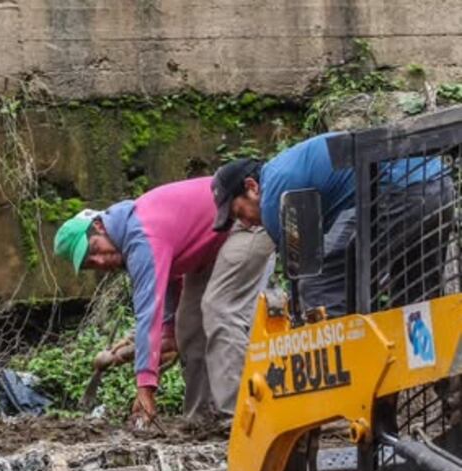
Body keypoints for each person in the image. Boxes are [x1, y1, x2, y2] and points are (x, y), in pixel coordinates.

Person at [53, 176, 274, 424]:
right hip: (210, 250)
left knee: (219, 310)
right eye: (91, 264)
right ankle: (201, 419)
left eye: (95, 249)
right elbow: (169, 279)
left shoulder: (141, 236)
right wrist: (169, 330)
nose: (101, 261)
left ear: (99, 227)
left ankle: (241, 418)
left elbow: (149, 313)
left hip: (246, 221)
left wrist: (145, 387)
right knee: (188, 328)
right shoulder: (133, 237)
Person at [213, 133, 453, 317]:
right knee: (415, 293)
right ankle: (428, 364)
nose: (247, 224)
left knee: (320, 284)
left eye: (240, 213)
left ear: (252, 187)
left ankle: (346, 363)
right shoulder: (286, 166)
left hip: (398, 192)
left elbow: (301, 271)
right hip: (438, 184)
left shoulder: (272, 198)